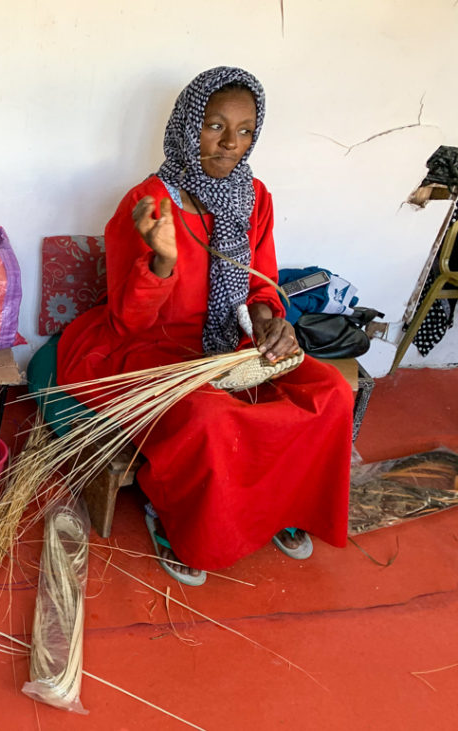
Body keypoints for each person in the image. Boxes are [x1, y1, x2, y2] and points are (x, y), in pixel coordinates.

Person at [57, 66, 352, 586]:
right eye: (215, 126)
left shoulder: (255, 196)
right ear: (187, 126)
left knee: (329, 390)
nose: (230, 144)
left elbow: (260, 286)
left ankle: (280, 504)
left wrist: (269, 322)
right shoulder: (148, 201)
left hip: (229, 341)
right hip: (149, 349)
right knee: (210, 418)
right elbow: (128, 320)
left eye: (244, 130)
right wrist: (164, 261)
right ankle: (175, 519)